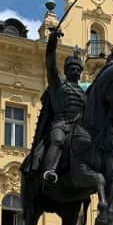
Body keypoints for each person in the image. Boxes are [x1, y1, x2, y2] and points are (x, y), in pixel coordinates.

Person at [38, 28, 86, 184]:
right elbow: (50, 64)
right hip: (61, 123)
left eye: (78, 69)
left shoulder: (83, 92)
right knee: (58, 140)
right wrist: (52, 40)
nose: (75, 71)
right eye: (72, 68)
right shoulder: (58, 86)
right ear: (65, 71)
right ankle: (49, 171)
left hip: (78, 128)